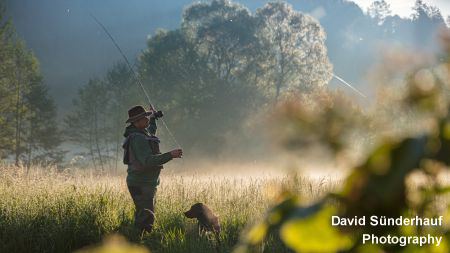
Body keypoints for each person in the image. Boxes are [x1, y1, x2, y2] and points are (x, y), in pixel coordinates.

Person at [122, 105, 182, 233]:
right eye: (145, 117)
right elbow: (148, 161)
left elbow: (151, 131)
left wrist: (154, 118)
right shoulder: (137, 138)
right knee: (146, 217)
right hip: (141, 183)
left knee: (144, 214)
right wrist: (170, 155)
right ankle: (142, 242)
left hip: (145, 183)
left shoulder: (141, 133)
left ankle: (138, 239)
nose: (147, 119)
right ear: (136, 122)